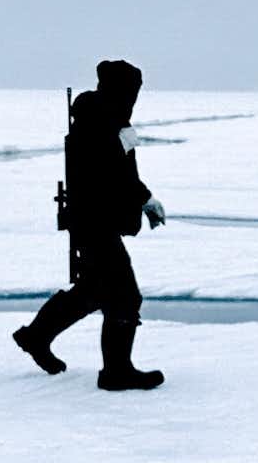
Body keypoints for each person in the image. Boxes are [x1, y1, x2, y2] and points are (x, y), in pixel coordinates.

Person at [12, 59, 169, 390]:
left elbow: (121, 174)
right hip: (95, 222)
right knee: (125, 296)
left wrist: (142, 199)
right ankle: (116, 371)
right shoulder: (101, 121)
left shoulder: (106, 117)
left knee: (95, 289)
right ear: (120, 89)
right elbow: (115, 175)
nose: (136, 96)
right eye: (133, 89)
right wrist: (144, 198)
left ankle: (36, 337)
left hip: (94, 221)